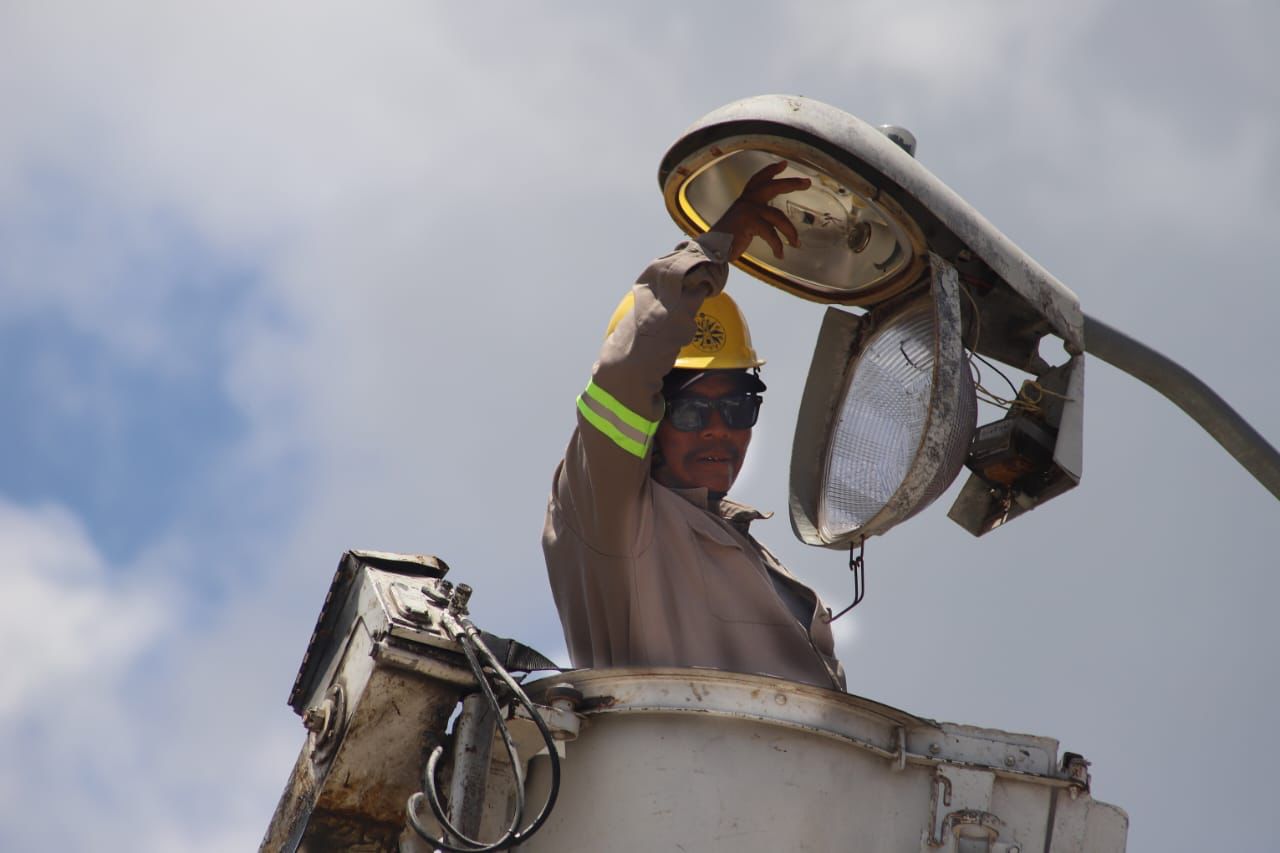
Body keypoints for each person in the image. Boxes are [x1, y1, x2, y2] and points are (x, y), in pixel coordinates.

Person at [542, 162, 845, 690]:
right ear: (652, 418)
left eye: (736, 407)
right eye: (689, 410)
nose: (716, 430)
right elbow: (624, 378)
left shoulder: (749, 553)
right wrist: (711, 250)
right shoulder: (609, 515)